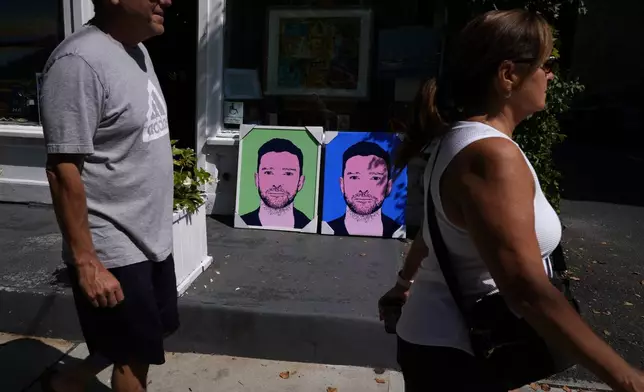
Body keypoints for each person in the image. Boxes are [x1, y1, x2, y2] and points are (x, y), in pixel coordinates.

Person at [378, 9, 644, 392]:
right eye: (547, 63)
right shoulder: (491, 157)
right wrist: (627, 379)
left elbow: (438, 234)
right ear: (508, 75)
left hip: (441, 346)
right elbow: (527, 291)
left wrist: (404, 283)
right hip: (458, 357)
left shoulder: (459, 139)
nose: (552, 73)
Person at [40, 1, 177, 391]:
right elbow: (61, 169)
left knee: (151, 333)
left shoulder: (136, 49)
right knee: (135, 358)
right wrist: (87, 263)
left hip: (150, 235)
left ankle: (71, 380)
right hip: (113, 243)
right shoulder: (78, 63)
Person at [325, 141, 402, 237]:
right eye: (354, 177)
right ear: (342, 184)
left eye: (375, 178)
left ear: (389, 186)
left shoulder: (397, 231)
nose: (363, 189)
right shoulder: (328, 229)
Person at [240, 138, 311, 229]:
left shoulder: (308, 226)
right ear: (257, 179)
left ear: (300, 182)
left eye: (288, 173)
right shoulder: (243, 222)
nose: (277, 183)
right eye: (268, 173)